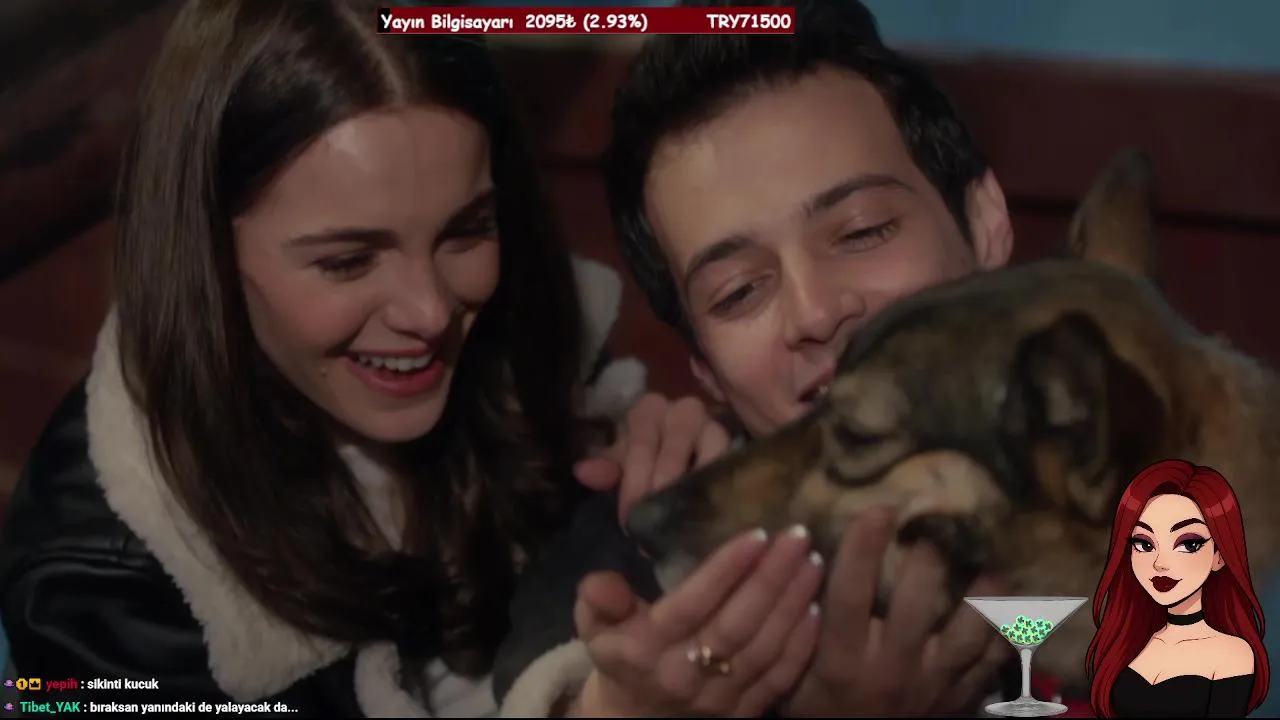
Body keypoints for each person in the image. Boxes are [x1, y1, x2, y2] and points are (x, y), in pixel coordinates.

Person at [0, 0, 651, 716]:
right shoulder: (100, 590)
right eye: (348, 261)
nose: (431, 312)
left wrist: (670, 506)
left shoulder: (529, 339)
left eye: (465, 231)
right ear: (206, 253)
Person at [492, 0, 1025, 715]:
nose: (814, 313)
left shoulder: (1158, 515)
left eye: (862, 231)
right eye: (739, 291)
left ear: (984, 223)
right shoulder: (644, 569)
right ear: (703, 366)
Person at [1086, 459, 1270, 718]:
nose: (1160, 564)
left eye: (1188, 544)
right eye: (1144, 544)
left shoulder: (1232, 653)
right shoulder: (1128, 642)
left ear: (1219, 556)